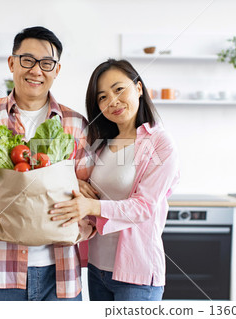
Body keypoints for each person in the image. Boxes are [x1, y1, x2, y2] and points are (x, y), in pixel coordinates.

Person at [0, 26, 94, 301]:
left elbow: (91, 191)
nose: (36, 70)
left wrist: (82, 226)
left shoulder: (75, 124)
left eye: (46, 63)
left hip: (59, 274)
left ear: (56, 70)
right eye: (27, 60)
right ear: (11, 63)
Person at [49, 59, 180, 301]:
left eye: (119, 89)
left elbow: (144, 207)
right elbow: (79, 183)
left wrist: (92, 206)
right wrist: (75, 184)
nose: (112, 101)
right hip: (97, 269)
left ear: (139, 88)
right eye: (102, 97)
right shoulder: (100, 143)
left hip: (136, 276)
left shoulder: (159, 143)